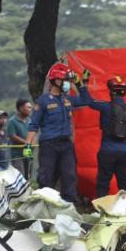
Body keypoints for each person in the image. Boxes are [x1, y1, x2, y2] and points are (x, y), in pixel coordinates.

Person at [25, 62, 90, 203]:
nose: (67, 83)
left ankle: (69, 207)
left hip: (66, 145)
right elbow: (33, 125)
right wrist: (28, 146)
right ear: (55, 81)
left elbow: (86, 100)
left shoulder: (67, 99)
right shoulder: (42, 101)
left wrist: (79, 83)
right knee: (46, 177)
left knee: (69, 176)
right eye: (65, 80)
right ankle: (44, 205)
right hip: (49, 145)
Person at [81, 75, 126, 198]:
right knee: (123, 183)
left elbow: (88, 101)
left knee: (103, 182)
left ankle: (102, 210)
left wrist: (84, 84)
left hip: (107, 151)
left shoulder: (106, 107)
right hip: (123, 153)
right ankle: (125, 210)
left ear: (112, 92)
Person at [8, 100, 33, 178]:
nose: (30, 109)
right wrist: (26, 142)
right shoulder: (12, 121)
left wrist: (32, 142)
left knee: (28, 175)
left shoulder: (29, 121)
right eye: (28, 107)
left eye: (31, 107)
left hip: (28, 152)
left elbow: (33, 133)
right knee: (19, 175)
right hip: (17, 154)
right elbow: (12, 135)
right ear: (21, 108)